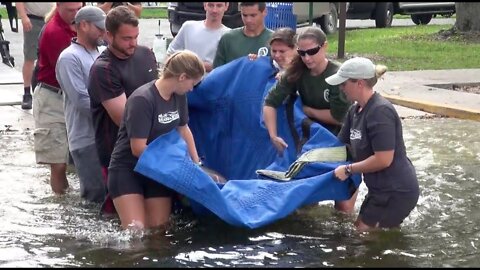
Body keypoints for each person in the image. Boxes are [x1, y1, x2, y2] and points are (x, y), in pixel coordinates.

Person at [262, 26, 357, 213]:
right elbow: (270, 102)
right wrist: (273, 135)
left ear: (325, 47)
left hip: (344, 141)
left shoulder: (338, 75)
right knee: (305, 202)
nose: (307, 58)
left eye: (312, 52)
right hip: (312, 142)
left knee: (343, 207)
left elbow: (339, 118)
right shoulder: (296, 72)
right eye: (302, 53)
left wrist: (307, 110)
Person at [109, 50, 204, 231]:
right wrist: (174, 164)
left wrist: (195, 163)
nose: (192, 89)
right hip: (128, 169)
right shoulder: (142, 99)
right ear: (182, 77)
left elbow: (183, 129)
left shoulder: (179, 95)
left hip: (157, 172)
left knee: (159, 230)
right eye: (193, 83)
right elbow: (138, 148)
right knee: (135, 229)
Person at [326, 57, 420, 232]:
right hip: (378, 189)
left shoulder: (380, 112)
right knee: (363, 234)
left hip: (396, 190)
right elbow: (339, 145)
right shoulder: (354, 111)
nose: (341, 88)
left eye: (344, 83)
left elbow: (383, 159)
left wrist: (348, 170)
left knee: (364, 238)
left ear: (359, 84)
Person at [88, 6, 158, 214]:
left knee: (159, 224)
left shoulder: (146, 55)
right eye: (127, 38)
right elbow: (124, 119)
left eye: (136, 36)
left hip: (148, 150)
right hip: (116, 157)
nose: (133, 43)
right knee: (120, 222)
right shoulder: (103, 69)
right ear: (109, 35)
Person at [55, 6, 107, 203]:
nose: (104, 32)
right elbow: (82, 100)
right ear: (83, 25)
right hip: (85, 139)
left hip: (105, 136)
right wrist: (117, 115)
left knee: (110, 196)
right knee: (95, 196)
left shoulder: (102, 51)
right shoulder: (69, 58)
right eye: (100, 28)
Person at [32, 2, 83, 195]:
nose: (76, 14)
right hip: (52, 98)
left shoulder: (77, 24)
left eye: (79, 8)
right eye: (71, 10)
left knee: (75, 158)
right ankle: (61, 204)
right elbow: (69, 73)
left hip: (68, 96)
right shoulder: (54, 32)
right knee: (58, 163)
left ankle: (65, 197)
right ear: (59, 5)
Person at [166, 2, 230, 73]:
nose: (214, 10)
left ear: (226, 6)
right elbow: (170, 54)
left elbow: (231, 67)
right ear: (205, 5)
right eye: (211, 5)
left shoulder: (230, 35)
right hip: (187, 82)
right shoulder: (188, 27)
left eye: (219, 6)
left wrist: (201, 66)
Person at [15, 2, 55, 110]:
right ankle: (27, 93)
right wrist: (24, 17)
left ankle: (49, 91)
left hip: (51, 18)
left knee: (52, 57)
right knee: (30, 57)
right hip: (33, 19)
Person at [213, 2, 273, 68]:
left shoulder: (274, 40)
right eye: (244, 15)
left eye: (253, 15)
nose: (248, 20)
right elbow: (217, 71)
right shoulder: (228, 38)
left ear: (264, 12)